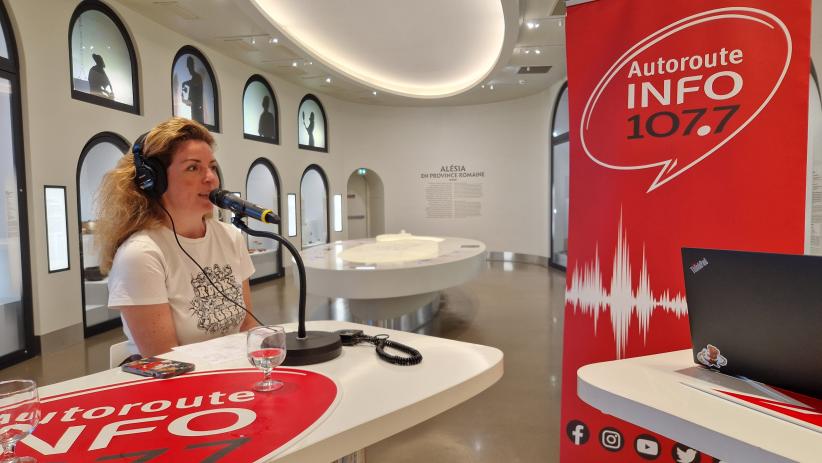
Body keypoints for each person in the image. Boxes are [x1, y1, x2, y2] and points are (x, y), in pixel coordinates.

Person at [96, 117, 257, 357]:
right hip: (179, 388)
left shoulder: (230, 237)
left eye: (212, 167)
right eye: (193, 167)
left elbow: (247, 327)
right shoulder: (141, 254)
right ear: (154, 182)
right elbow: (167, 361)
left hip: (234, 377)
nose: (211, 178)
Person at [181, 56, 204, 123]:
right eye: (188, 66)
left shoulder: (197, 77)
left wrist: (185, 84)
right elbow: (186, 101)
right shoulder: (193, 79)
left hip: (198, 109)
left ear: (193, 65)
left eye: (190, 65)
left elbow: (194, 83)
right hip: (194, 108)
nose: (189, 68)